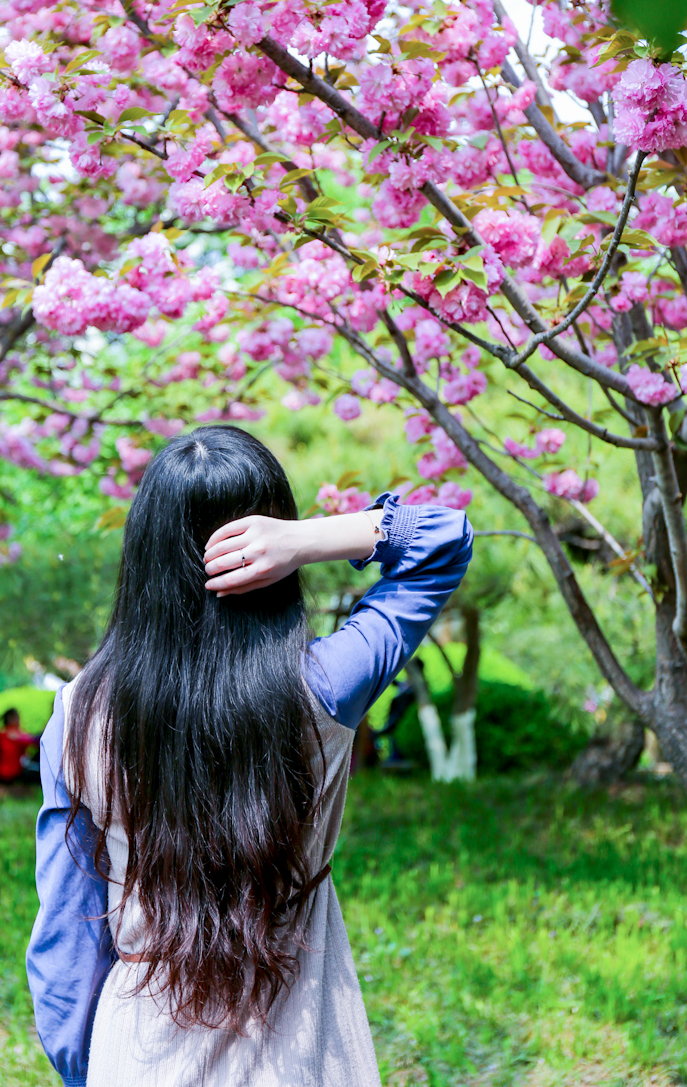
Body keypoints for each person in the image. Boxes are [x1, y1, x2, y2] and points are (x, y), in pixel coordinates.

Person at [26, 426, 473, 1087]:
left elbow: (65, 939)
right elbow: (442, 539)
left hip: (137, 1053)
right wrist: (309, 540)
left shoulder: (77, 713)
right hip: (304, 1048)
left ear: (143, 552)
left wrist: (82, 1069)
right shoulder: (326, 686)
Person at [0, 707, 41, 783]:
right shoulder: (13, 734)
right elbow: (34, 741)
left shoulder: (1, 733)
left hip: (1, 770)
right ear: (11, 719)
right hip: (12, 772)